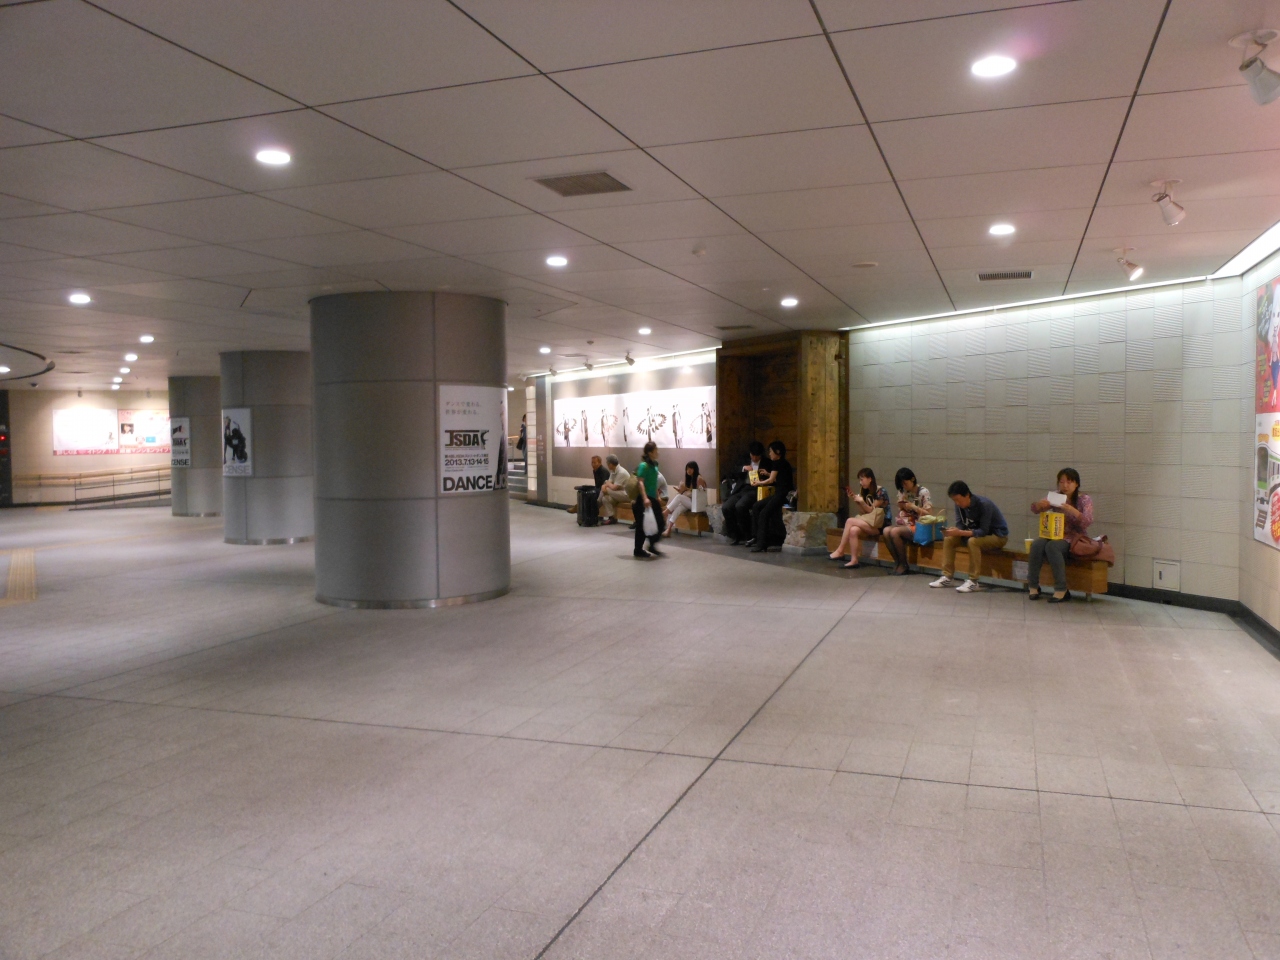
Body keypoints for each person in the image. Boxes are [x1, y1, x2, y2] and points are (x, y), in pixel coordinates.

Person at [1027, 467, 1094, 603]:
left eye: (1069, 482)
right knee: (1037, 544)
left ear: (1076, 484)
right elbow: (1034, 509)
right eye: (1062, 482)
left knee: (1052, 547)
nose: (1065, 486)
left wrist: (1072, 510)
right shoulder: (1056, 496)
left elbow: (1087, 521)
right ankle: (1033, 586)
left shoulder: (1084, 499)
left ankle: (1061, 589)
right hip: (1054, 533)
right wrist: (1039, 505)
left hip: (1074, 537)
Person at [930, 481, 1009, 593]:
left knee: (973, 542)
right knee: (949, 539)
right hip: (975, 534)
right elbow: (960, 526)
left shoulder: (984, 505)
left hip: (997, 536)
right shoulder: (959, 506)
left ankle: (973, 581)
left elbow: (983, 531)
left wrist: (960, 532)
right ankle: (947, 576)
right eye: (954, 500)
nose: (957, 503)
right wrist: (952, 531)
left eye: (958, 500)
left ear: (967, 495)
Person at [828, 468, 890, 569]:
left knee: (849, 520)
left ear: (870, 479)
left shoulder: (881, 492)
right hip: (869, 522)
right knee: (853, 530)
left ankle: (840, 550)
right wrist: (855, 499)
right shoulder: (864, 491)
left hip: (880, 525)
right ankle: (854, 560)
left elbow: (871, 510)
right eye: (859, 480)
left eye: (862, 479)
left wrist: (862, 502)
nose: (860, 482)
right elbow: (864, 511)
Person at [883, 467, 932, 576]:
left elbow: (929, 514)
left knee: (895, 532)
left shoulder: (923, 492)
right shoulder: (902, 491)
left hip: (919, 525)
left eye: (905, 483)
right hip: (905, 523)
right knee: (886, 531)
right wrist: (902, 504)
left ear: (912, 479)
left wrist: (914, 507)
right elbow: (901, 507)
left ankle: (904, 564)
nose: (904, 486)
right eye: (902, 484)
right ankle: (897, 562)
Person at [748, 440, 794, 553]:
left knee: (764, 513)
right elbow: (779, 477)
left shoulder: (777, 463)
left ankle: (761, 543)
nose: (769, 454)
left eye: (771, 451)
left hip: (783, 495)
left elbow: (771, 480)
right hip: (779, 493)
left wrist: (758, 483)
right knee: (757, 506)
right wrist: (768, 474)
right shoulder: (783, 463)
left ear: (777, 452)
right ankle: (756, 537)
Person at [724, 441, 766, 544]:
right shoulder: (744, 459)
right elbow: (732, 471)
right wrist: (743, 468)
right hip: (742, 488)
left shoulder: (766, 462)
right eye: (752, 455)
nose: (754, 458)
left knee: (740, 506)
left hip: (755, 489)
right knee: (726, 507)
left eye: (757, 456)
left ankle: (748, 535)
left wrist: (762, 477)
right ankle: (734, 535)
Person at [633, 442, 665, 558]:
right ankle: (638, 550)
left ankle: (652, 544)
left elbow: (654, 482)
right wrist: (645, 498)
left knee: (660, 523)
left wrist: (657, 496)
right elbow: (640, 482)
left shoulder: (655, 465)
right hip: (643, 499)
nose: (658, 452)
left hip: (652, 498)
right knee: (641, 526)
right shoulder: (643, 466)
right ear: (650, 452)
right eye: (656, 450)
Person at [664, 461, 708, 536]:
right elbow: (690, 493)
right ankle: (669, 529)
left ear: (695, 469)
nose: (688, 470)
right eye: (687, 469)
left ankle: (665, 512)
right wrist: (682, 491)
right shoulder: (690, 479)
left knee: (679, 497)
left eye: (691, 468)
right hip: (691, 502)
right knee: (679, 508)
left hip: (697, 504)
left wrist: (685, 492)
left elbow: (698, 494)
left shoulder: (699, 478)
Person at [599, 454, 630, 525]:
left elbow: (613, 487)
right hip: (618, 494)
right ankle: (612, 518)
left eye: (607, 463)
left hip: (626, 495)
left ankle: (597, 503)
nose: (607, 465)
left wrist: (606, 484)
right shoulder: (613, 471)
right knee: (605, 498)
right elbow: (609, 483)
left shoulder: (621, 472)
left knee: (607, 490)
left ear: (610, 464)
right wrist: (604, 485)